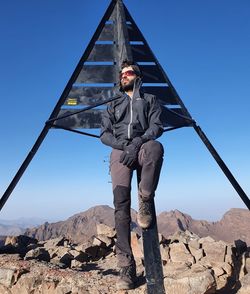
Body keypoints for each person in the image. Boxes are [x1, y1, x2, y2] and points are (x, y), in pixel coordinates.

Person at [100, 60, 164, 290]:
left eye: (128, 73)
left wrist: (137, 143)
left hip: (142, 146)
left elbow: (156, 127)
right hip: (120, 152)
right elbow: (103, 134)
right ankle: (126, 267)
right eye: (121, 74)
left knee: (156, 147)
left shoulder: (150, 100)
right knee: (121, 208)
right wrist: (123, 146)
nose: (123, 76)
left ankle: (145, 198)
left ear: (137, 76)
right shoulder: (113, 103)